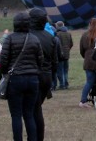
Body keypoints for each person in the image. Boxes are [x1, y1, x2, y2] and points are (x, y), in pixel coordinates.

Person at [1, 12, 43, 141]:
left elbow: (3, 60)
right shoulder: (34, 39)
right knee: (29, 114)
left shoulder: (10, 38)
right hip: (32, 79)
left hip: (15, 79)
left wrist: (4, 73)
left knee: (16, 115)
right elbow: (40, 60)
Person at [28, 8, 59, 140]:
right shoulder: (50, 37)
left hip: (32, 76)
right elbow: (55, 61)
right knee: (37, 109)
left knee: (32, 111)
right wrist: (51, 76)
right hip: (46, 77)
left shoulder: (28, 37)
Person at [54, 21, 73, 90]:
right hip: (67, 54)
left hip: (60, 55)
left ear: (57, 26)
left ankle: (62, 84)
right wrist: (67, 50)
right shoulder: (68, 33)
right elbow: (71, 44)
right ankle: (66, 84)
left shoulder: (57, 34)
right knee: (65, 70)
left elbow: (56, 44)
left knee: (60, 70)